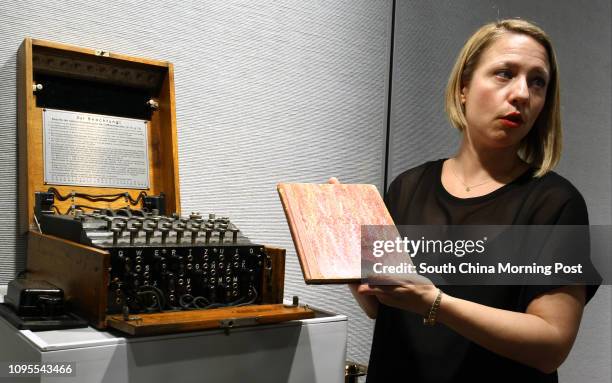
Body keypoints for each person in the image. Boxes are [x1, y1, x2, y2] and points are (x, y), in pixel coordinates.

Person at [339, 19, 600, 382]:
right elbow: (382, 306)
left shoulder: (558, 203)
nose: (522, 93)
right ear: (463, 87)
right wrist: (349, 260)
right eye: (505, 73)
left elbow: (551, 346)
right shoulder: (407, 186)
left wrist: (435, 303)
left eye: (537, 81)